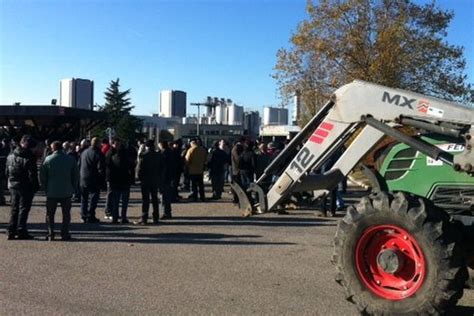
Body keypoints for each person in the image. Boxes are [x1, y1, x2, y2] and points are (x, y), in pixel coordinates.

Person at [40, 141, 79, 241]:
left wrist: (44, 187)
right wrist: (73, 187)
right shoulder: (70, 159)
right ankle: (64, 233)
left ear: (53, 148)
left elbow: (42, 176)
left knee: (50, 214)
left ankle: (50, 233)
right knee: (66, 214)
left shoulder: (48, 159)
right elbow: (75, 175)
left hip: (52, 190)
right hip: (66, 190)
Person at [5, 135, 39, 240]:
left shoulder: (10, 155)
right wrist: (35, 186)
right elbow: (32, 175)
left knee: (14, 208)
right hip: (25, 185)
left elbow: (7, 171)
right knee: (23, 209)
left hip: (13, 184)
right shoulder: (29, 157)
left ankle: (11, 229)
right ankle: (21, 230)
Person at [105, 138, 133, 224]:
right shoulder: (127, 159)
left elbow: (109, 169)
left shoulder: (113, 158)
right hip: (125, 181)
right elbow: (131, 168)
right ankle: (123, 217)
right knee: (124, 202)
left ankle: (115, 217)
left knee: (115, 201)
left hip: (115, 181)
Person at [135, 140, 161, 225]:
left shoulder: (144, 156)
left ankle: (144, 217)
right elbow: (163, 168)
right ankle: (156, 217)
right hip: (155, 180)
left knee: (145, 200)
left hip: (145, 180)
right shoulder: (158, 156)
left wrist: (140, 178)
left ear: (146, 146)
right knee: (155, 199)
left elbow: (139, 170)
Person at [79, 137, 104, 223]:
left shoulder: (84, 152)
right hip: (93, 178)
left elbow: (79, 164)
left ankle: (83, 214)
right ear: (97, 144)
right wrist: (101, 179)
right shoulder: (98, 153)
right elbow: (100, 168)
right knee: (94, 197)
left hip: (83, 177)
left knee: (84, 197)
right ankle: (91, 215)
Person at [158, 140, 175, 218]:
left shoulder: (162, 154)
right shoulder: (171, 153)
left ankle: (166, 212)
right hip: (170, 176)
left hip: (163, 177)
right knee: (167, 195)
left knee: (164, 196)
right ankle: (168, 211)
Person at [0, 138, 10, 205]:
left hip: (2, 172)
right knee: (1, 188)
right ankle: (1, 199)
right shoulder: (5, 152)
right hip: (2, 172)